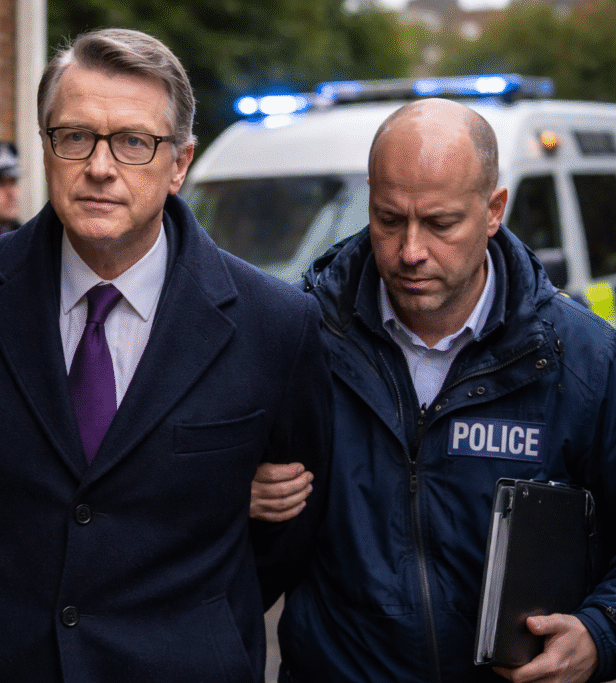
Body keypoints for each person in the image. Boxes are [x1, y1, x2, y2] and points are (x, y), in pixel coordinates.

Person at [0, 27, 331, 682]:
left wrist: (200, 622)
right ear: (45, 145)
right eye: (76, 136)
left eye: (134, 141)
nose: (101, 167)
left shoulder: (274, 323)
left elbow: (292, 531)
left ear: (180, 163)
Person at [252, 98, 616, 682]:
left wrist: (599, 634)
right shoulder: (295, 338)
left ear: (493, 209)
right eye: (388, 219)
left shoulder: (586, 361)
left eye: (441, 224)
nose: (410, 251)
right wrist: (235, 491)